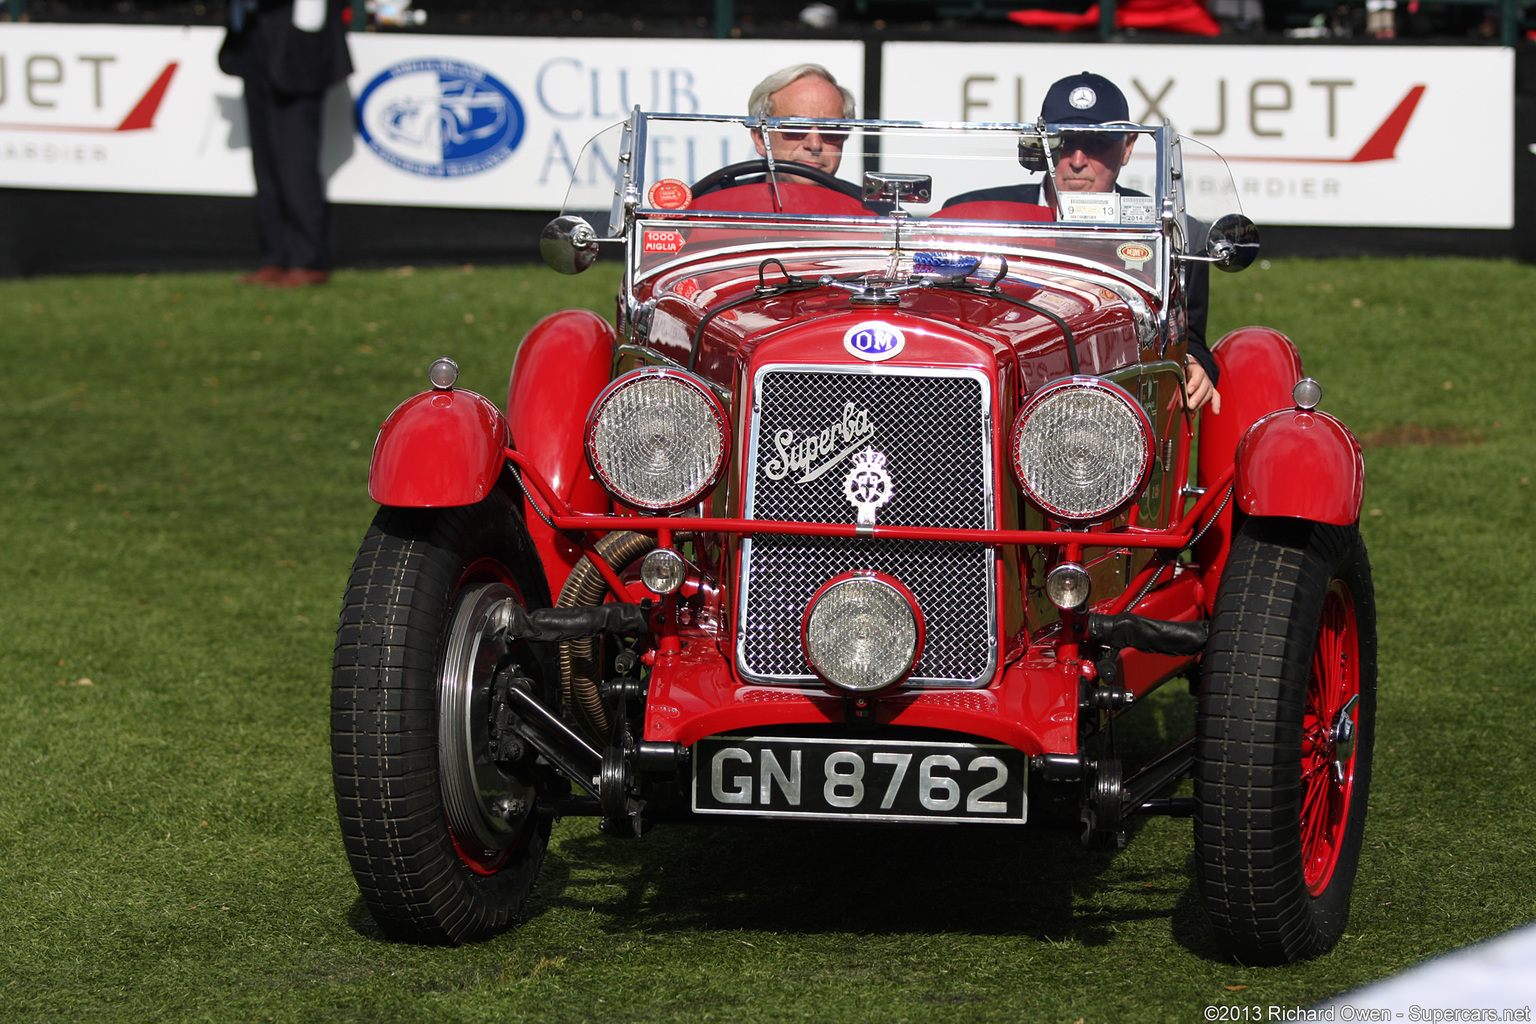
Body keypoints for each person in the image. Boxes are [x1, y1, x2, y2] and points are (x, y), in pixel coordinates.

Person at [944, 72, 1220, 412]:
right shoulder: (976, 218)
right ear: (1039, 145)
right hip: (999, 394)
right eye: (1063, 142)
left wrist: (1194, 365)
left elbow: (1191, 338)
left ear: (1128, 147)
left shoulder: (1168, 234)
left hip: (1122, 400)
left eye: (1097, 142)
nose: (1077, 160)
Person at [220, 0, 352, 289]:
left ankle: (307, 261)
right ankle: (276, 257)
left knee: (296, 159)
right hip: (255, 37)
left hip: (299, 46)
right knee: (265, 160)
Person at [746, 64, 857, 175]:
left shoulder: (860, 193)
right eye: (796, 127)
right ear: (760, 139)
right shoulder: (732, 192)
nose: (815, 145)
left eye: (829, 130)